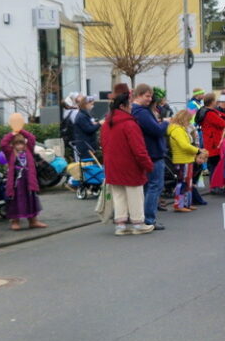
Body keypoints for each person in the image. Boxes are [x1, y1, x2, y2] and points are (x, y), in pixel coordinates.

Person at [101, 90, 155, 235]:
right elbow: (139, 149)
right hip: (130, 165)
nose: (132, 107)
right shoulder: (130, 124)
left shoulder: (107, 123)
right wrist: (148, 165)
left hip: (112, 165)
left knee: (119, 196)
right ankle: (138, 223)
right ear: (124, 106)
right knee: (135, 195)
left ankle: (121, 225)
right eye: (130, 104)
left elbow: (104, 145)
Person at [131, 84, 169, 231]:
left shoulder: (137, 111)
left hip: (148, 153)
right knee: (154, 186)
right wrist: (165, 123)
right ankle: (149, 219)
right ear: (138, 95)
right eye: (147, 96)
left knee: (148, 187)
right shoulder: (142, 112)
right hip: (153, 153)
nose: (150, 99)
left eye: (150, 96)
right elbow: (156, 131)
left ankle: (143, 217)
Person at [0, 130, 47, 230]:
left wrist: (20, 130)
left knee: (31, 199)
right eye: (17, 144)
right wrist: (12, 133)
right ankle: (15, 222)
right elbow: (3, 144)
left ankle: (33, 221)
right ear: (13, 145)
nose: (20, 146)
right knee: (16, 201)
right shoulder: (10, 153)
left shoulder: (29, 150)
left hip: (29, 181)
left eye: (21, 143)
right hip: (16, 183)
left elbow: (32, 138)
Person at [167, 110, 203, 212]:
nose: (189, 122)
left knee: (188, 183)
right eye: (188, 120)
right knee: (182, 183)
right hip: (182, 160)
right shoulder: (177, 130)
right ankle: (179, 205)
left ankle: (186, 203)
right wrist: (197, 150)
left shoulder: (180, 129)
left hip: (186, 159)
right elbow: (184, 145)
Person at [198, 93, 225, 175]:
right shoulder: (209, 113)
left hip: (210, 142)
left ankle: (214, 186)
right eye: (215, 100)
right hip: (214, 144)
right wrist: (222, 116)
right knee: (215, 166)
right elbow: (222, 123)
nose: (216, 102)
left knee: (213, 165)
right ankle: (215, 186)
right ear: (211, 102)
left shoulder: (206, 111)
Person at [72, 95, 101, 159]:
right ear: (86, 104)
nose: (92, 106)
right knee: (88, 164)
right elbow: (89, 129)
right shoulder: (81, 116)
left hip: (88, 145)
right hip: (86, 147)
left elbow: (88, 125)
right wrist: (99, 124)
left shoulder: (85, 114)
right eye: (91, 104)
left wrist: (94, 124)